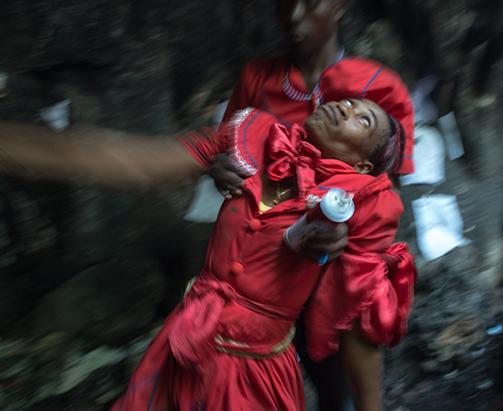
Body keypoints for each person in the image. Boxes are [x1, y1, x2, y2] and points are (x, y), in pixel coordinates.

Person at [0, 95, 416, 410]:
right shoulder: (254, 141)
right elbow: (131, 161)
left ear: (363, 166)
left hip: (254, 372)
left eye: (364, 119)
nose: (345, 108)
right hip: (187, 344)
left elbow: (363, 320)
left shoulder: (364, 206)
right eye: (347, 102)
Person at [209, 1, 414, 408]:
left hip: (332, 278)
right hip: (259, 271)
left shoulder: (380, 86)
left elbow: (383, 192)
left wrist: (345, 241)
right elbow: (231, 153)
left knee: (330, 379)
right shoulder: (258, 79)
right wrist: (220, 170)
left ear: (339, 5)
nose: (294, 16)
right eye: (285, 3)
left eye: (310, 2)